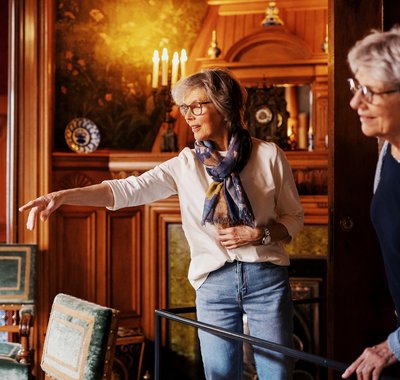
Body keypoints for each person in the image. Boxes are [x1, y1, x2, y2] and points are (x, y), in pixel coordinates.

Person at [19, 68, 304, 380]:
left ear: (224, 106)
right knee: (221, 376)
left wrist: (259, 234)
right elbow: (126, 189)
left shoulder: (270, 156)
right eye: (185, 108)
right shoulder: (185, 164)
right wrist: (62, 196)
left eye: (197, 106)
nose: (189, 116)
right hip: (213, 284)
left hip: (266, 282)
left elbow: (293, 218)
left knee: (278, 375)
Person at [342, 26, 400, 380]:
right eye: (356, 87)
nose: (355, 103)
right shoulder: (386, 152)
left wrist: (396, 344)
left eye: (369, 92)